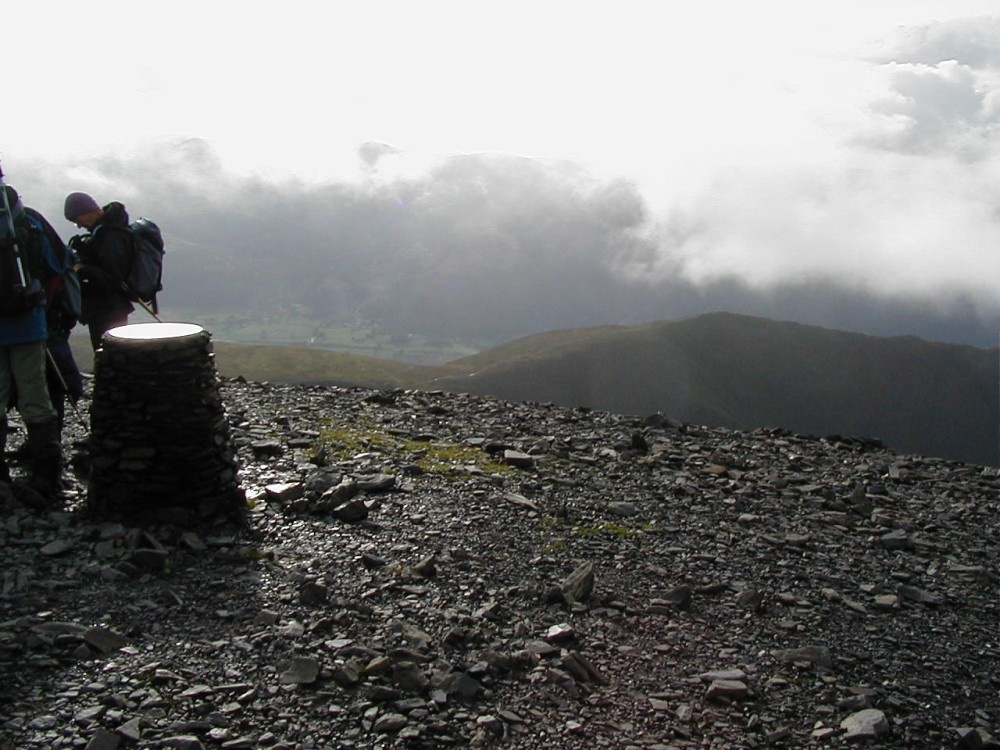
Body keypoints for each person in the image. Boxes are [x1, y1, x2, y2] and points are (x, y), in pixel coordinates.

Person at [0, 184, 64, 499]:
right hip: (27, 323)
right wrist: (41, 307)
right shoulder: (30, 221)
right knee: (34, 396)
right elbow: (58, 267)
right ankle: (47, 475)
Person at [63, 192, 134, 350]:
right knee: (112, 355)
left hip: (108, 309)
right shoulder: (105, 232)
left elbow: (112, 278)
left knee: (111, 356)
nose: (79, 225)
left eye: (76, 220)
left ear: (87, 212)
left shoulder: (110, 235)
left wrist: (82, 270)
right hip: (107, 307)